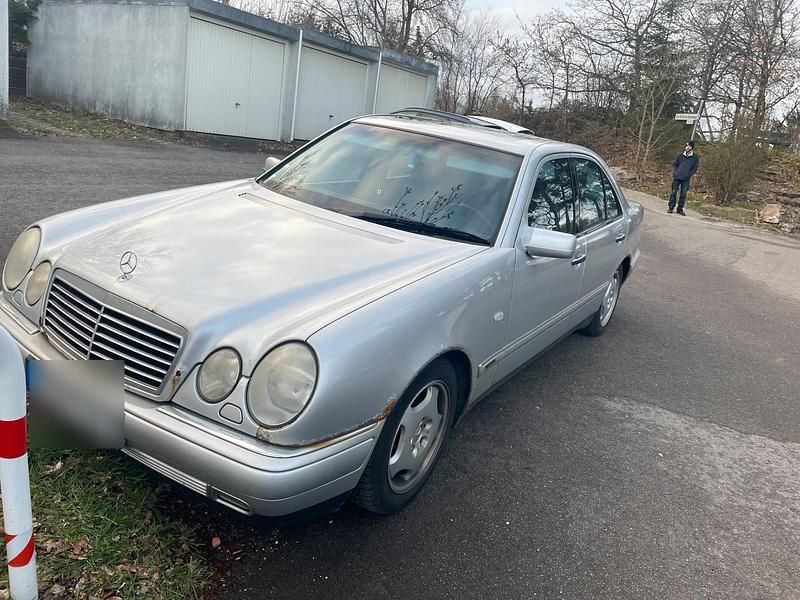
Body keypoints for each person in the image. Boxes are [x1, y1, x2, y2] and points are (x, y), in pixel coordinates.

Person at [668, 140, 699, 215]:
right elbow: (675, 164)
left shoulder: (695, 157)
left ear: (692, 147)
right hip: (677, 177)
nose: (687, 147)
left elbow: (695, 168)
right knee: (673, 192)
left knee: (683, 194)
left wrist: (689, 174)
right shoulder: (680, 155)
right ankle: (671, 207)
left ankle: (680, 209)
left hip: (686, 178)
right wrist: (675, 172)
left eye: (689, 146)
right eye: (687, 146)